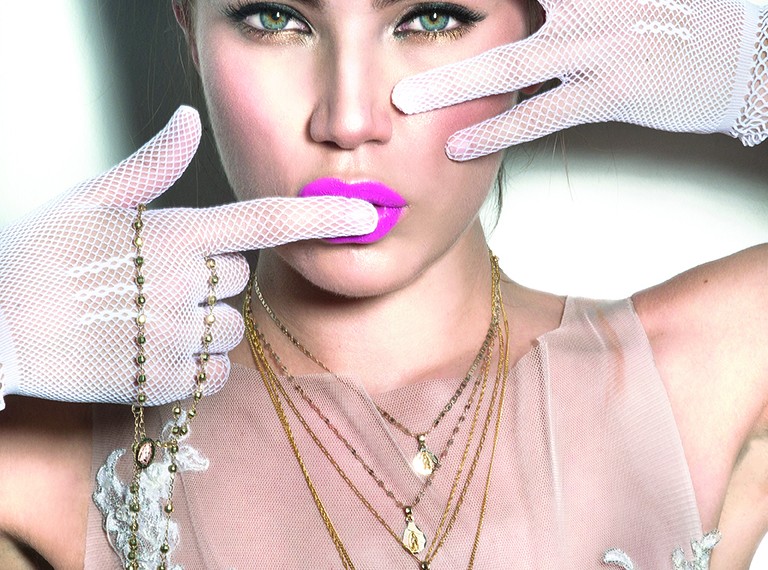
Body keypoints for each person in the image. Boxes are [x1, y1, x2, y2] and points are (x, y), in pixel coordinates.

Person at [0, 0, 766, 568]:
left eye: (430, 18)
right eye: (274, 18)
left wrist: (752, 65)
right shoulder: (55, 462)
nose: (350, 118)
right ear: (189, 26)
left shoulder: (707, 374)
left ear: (542, 29)